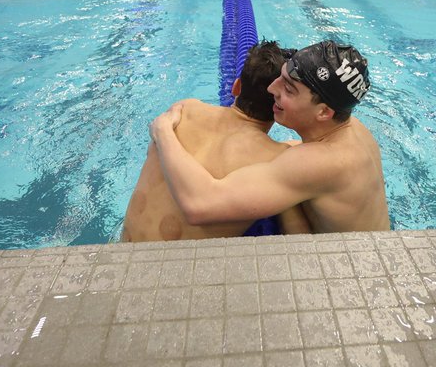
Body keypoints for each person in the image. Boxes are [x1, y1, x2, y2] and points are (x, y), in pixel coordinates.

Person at [150, 41, 390, 234]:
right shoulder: (352, 128)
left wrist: (163, 131)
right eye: (281, 78)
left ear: (324, 112)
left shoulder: (318, 162)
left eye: (288, 89)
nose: (271, 89)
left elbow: (199, 205)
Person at [123, 41, 310, 241]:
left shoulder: (183, 110)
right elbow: (298, 240)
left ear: (236, 86)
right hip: (175, 268)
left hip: (121, 252)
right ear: (281, 107)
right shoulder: (278, 160)